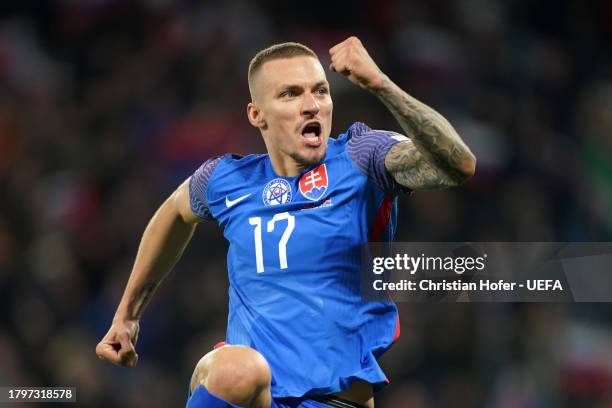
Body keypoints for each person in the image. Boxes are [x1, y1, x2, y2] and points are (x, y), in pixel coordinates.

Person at [95, 36, 476, 408]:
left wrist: (382, 84)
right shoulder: (228, 180)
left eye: (321, 91)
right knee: (235, 369)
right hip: (255, 394)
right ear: (256, 114)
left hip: (336, 400)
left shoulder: (362, 158)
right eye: (290, 94)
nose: (311, 105)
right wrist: (127, 315)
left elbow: (458, 165)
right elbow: (175, 213)